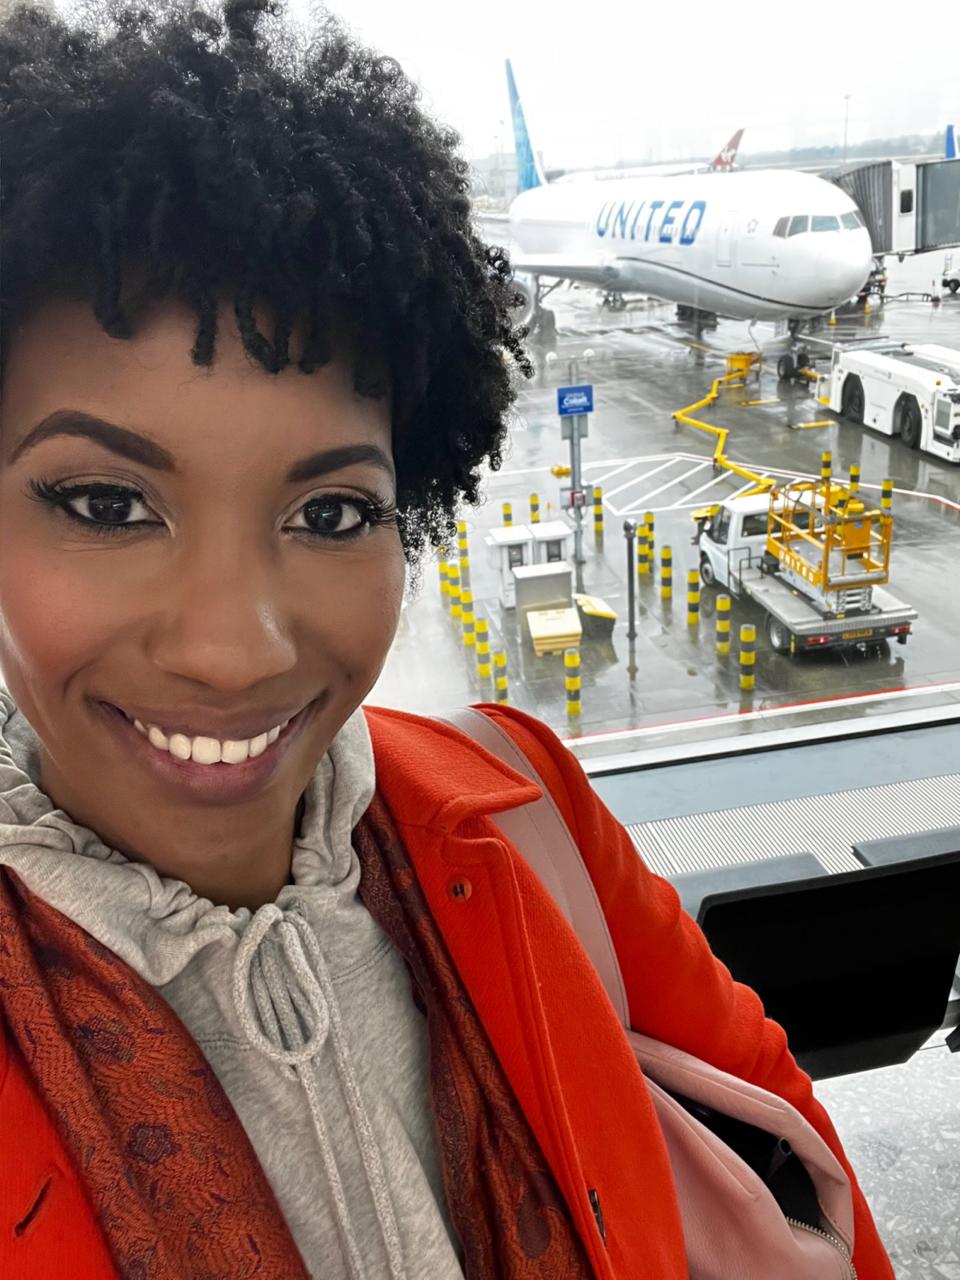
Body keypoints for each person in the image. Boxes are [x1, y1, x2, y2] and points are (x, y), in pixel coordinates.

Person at [0, 3, 894, 1277]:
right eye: (106, 504)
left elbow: (811, 1199)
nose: (234, 649)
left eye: (330, 512)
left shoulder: (530, 810)